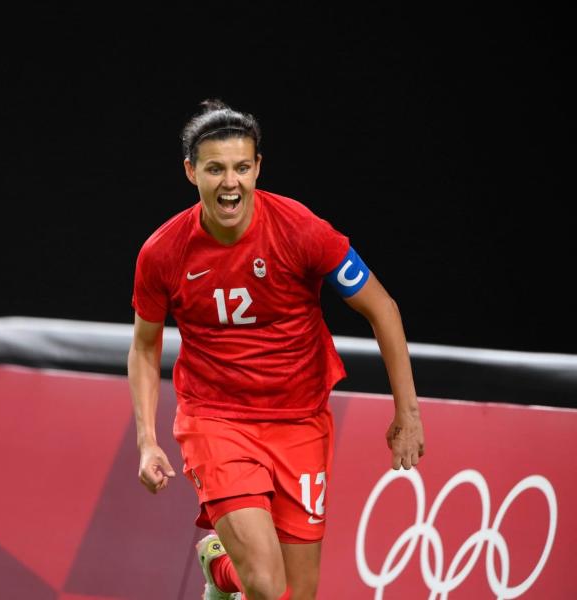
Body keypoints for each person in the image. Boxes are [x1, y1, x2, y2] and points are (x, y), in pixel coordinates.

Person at [127, 99, 425, 600]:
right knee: (265, 584)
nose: (230, 183)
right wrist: (146, 438)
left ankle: (219, 566)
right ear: (190, 171)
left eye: (242, 168)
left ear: (258, 167)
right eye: (215, 169)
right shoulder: (163, 252)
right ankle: (225, 565)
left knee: (294, 595)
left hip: (300, 421)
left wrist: (408, 413)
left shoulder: (301, 230)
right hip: (217, 420)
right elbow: (144, 346)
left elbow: (383, 309)